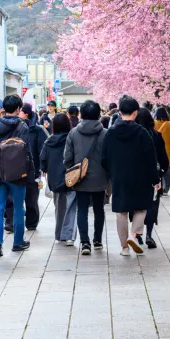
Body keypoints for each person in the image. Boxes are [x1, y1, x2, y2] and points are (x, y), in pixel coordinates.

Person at [101, 96, 159, 257]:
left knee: (121, 211)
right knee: (142, 206)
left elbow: (103, 157)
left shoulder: (111, 133)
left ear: (119, 113)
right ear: (135, 113)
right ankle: (134, 234)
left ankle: (124, 248)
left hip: (119, 176)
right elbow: (151, 158)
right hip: (140, 176)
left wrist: (111, 173)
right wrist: (155, 179)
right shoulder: (142, 132)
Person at [0, 95, 35, 255]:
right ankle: (18, 242)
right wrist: (32, 172)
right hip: (17, 172)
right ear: (19, 109)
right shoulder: (22, 127)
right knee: (19, 207)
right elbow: (27, 152)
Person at [63, 100, 108, 256]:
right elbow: (109, 158)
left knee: (81, 209)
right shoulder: (105, 133)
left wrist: (73, 170)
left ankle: (84, 242)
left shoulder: (73, 133)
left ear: (81, 114)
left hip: (80, 178)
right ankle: (97, 240)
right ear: (98, 114)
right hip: (101, 178)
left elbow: (67, 157)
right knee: (99, 209)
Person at [4, 102, 47, 231]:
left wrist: (41, 166)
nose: (18, 113)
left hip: (32, 168)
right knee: (11, 197)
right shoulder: (13, 127)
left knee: (31, 197)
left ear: (26, 114)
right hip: (14, 167)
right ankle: (11, 223)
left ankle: (31, 223)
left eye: (21, 111)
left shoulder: (37, 130)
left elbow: (42, 149)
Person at [40, 113, 77, 245]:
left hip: (55, 179)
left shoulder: (49, 141)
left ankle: (60, 234)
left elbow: (42, 160)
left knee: (59, 207)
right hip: (71, 176)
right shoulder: (72, 139)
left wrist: (44, 170)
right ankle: (69, 236)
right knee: (71, 206)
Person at [136, 108, 169, 249]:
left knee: (137, 205)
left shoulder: (134, 135)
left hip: (136, 175)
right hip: (154, 175)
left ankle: (136, 233)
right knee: (152, 204)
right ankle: (149, 234)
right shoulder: (156, 135)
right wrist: (162, 171)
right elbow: (164, 158)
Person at [154, 106, 170, 192]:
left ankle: (158, 188)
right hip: (167, 151)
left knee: (157, 168)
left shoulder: (153, 123)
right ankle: (166, 189)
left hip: (156, 150)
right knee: (167, 170)